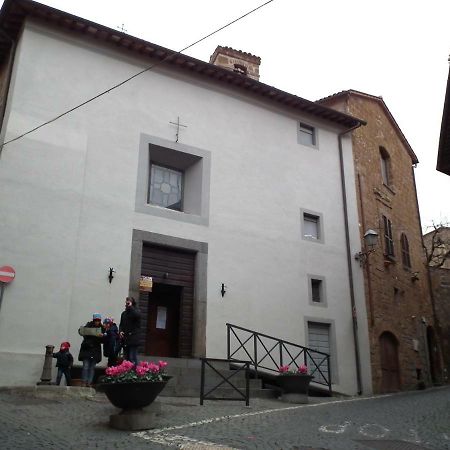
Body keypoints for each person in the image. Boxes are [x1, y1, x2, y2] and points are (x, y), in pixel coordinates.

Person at [78, 313, 104, 387]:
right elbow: (81, 331)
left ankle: (89, 382)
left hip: (95, 350)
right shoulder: (88, 325)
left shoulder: (102, 328)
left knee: (92, 368)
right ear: (93, 320)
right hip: (87, 349)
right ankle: (84, 381)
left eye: (98, 320)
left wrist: (102, 336)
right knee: (85, 366)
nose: (97, 322)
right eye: (96, 320)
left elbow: (104, 340)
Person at [119, 297, 141, 366]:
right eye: (126, 303)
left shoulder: (136, 311)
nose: (127, 304)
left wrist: (131, 307)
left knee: (132, 358)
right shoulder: (124, 314)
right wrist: (120, 331)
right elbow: (121, 324)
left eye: (129, 302)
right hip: (125, 339)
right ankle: (127, 374)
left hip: (133, 339)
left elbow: (137, 315)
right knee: (126, 359)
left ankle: (136, 374)